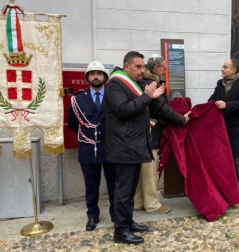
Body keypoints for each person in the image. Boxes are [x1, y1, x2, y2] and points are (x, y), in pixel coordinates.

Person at [104, 51, 165, 244]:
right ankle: (120, 231)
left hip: (134, 145)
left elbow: (138, 109)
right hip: (124, 147)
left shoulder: (131, 84)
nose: (142, 70)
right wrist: (147, 97)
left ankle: (128, 221)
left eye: (142, 66)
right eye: (137, 67)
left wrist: (151, 97)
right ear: (127, 66)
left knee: (130, 190)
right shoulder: (115, 84)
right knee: (123, 191)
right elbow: (123, 110)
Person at [134, 54, 190, 214]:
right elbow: (161, 109)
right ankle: (152, 205)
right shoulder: (152, 83)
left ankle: (138, 202)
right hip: (151, 133)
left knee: (143, 169)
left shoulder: (144, 81)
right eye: (164, 68)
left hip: (144, 133)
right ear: (157, 67)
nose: (165, 70)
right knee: (150, 169)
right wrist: (181, 119)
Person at [67, 61, 115, 231]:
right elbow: (73, 124)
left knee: (114, 185)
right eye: (92, 73)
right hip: (88, 149)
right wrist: (89, 137)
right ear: (87, 77)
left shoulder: (114, 95)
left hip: (110, 147)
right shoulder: (78, 99)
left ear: (105, 77)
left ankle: (116, 215)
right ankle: (92, 216)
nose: (96, 76)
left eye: (99, 73)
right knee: (91, 186)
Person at [208, 58, 239, 200]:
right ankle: (228, 185)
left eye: (225, 67)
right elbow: (212, 99)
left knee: (237, 156)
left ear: (233, 70)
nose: (222, 69)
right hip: (220, 126)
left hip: (236, 127)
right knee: (222, 156)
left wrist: (227, 105)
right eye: (222, 66)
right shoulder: (219, 83)